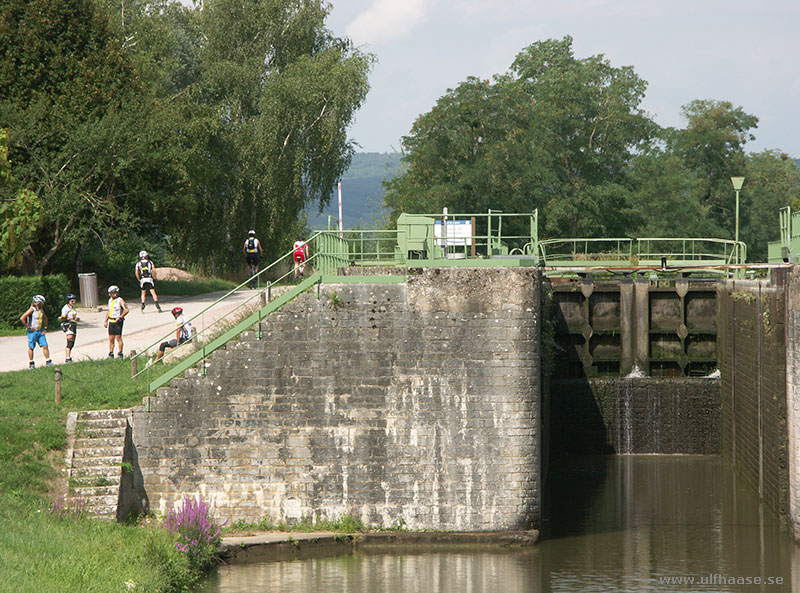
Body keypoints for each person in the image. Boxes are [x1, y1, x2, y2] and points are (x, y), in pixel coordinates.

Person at [20, 295, 53, 369]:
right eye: (42, 302)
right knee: (31, 347)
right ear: (38, 302)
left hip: (40, 331)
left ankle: (48, 361)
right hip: (32, 332)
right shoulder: (32, 309)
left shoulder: (41, 310)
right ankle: (31, 363)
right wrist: (28, 327)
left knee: (45, 345)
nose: (43, 304)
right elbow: (22, 318)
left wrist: (45, 328)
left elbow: (45, 318)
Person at [104, 285, 129, 359]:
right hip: (111, 321)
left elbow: (126, 310)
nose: (110, 295)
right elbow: (109, 311)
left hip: (117, 321)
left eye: (111, 293)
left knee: (118, 337)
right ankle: (111, 353)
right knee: (111, 338)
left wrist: (120, 317)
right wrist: (106, 321)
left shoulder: (120, 300)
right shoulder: (110, 300)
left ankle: (120, 353)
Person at [59, 293, 80, 363]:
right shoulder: (65, 308)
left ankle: (69, 356)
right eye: (72, 301)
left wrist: (76, 318)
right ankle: (67, 358)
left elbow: (74, 316)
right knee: (69, 342)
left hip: (74, 325)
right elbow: (63, 317)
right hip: (68, 325)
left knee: (72, 343)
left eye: (74, 301)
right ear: (68, 301)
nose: (74, 302)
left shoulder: (73, 308)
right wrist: (69, 318)